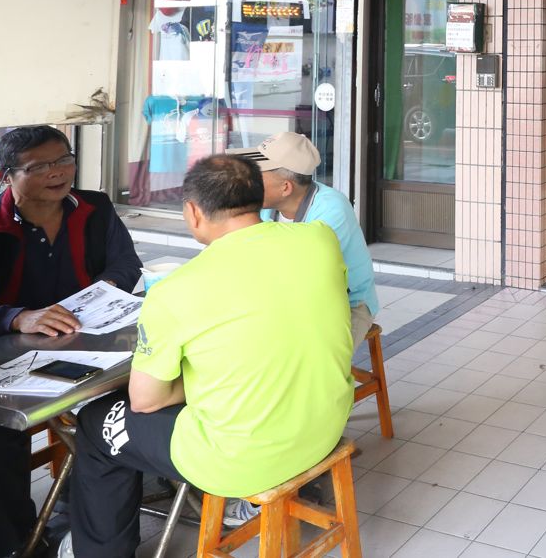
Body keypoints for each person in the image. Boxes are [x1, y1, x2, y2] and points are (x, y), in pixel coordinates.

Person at [63, 155, 352, 558]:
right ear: (258, 198)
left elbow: (145, 400)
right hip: (325, 426)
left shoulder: (175, 291)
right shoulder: (319, 239)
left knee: (97, 421)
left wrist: (204, 376)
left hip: (240, 461)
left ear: (193, 211)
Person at [0, 126, 142, 558]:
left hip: (92, 345)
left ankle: (79, 506)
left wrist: (100, 293)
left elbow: (125, 264)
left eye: (64, 160)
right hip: (3, 364)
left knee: (136, 406)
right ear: (5, 175)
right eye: (40, 166)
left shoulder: (95, 207)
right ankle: (18, 543)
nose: (57, 172)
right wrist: (16, 317)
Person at [243, 132, 379, 346]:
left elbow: (304, 277)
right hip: (286, 299)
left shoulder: (332, 209)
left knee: (314, 354)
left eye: (256, 177)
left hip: (347, 303)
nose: (248, 182)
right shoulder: (263, 206)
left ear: (285, 187)